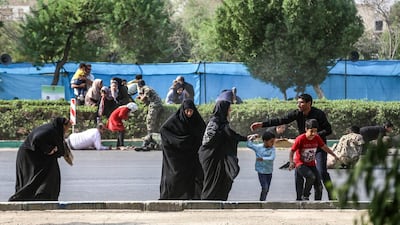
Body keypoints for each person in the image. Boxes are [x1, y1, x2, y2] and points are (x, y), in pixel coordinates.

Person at [250, 93, 335, 200]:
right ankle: (300, 198)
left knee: (321, 172)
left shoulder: (319, 114)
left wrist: (315, 136)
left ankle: (332, 196)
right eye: (298, 102)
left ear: (309, 103)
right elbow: (282, 120)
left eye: (301, 103)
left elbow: (328, 130)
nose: (298, 105)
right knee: (299, 171)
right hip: (303, 147)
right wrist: (262, 124)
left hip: (318, 146)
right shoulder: (297, 113)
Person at [9, 117, 72, 201]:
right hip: (29, 156)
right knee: (31, 178)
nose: (67, 130)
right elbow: (36, 139)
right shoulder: (51, 130)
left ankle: (43, 196)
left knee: (48, 173)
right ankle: (22, 198)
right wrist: (48, 149)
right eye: (67, 127)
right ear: (63, 126)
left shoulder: (53, 130)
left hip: (37, 156)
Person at [198, 100, 250, 201]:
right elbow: (209, 139)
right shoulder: (214, 122)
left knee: (222, 178)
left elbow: (231, 135)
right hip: (210, 155)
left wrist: (246, 138)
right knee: (211, 180)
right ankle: (206, 201)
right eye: (228, 108)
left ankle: (218, 200)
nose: (230, 110)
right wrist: (222, 134)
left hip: (217, 155)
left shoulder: (222, 122)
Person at [159, 99, 206, 200]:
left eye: (191, 111)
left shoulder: (197, 121)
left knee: (195, 176)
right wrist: (179, 142)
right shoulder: (175, 120)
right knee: (176, 176)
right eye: (187, 111)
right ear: (183, 110)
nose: (189, 113)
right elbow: (164, 130)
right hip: (178, 154)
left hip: (192, 154)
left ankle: (194, 197)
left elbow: (203, 133)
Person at [288, 119, 339, 201]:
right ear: (306, 129)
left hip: (311, 164)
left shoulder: (317, 137)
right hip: (300, 164)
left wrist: (334, 155)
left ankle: (317, 203)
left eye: (315, 131)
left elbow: (324, 147)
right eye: (311, 131)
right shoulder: (300, 139)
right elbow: (292, 151)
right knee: (311, 177)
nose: (313, 134)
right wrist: (291, 162)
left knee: (319, 186)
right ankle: (305, 195)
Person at [246, 131, 276, 201]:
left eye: (273, 141)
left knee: (267, 189)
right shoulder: (258, 147)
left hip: (269, 171)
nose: (272, 143)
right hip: (261, 171)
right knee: (264, 187)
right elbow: (249, 145)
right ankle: (262, 202)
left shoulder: (272, 149)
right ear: (265, 141)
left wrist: (262, 159)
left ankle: (262, 200)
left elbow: (272, 158)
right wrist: (252, 138)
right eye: (271, 141)